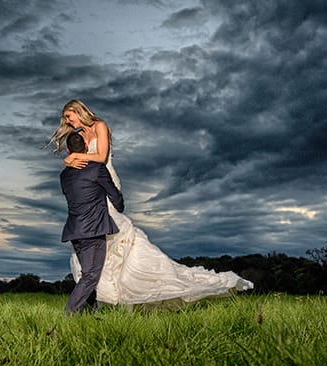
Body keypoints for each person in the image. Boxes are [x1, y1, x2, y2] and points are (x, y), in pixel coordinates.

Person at [49, 99, 254, 308]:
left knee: (110, 231)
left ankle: (128, 285)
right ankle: (97, 295)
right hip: (92, 183)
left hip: (105, 179)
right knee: (97, 239)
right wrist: (71, 159)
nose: (68, 121)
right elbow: (78, 159)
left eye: (68, 116)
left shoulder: (99, 125)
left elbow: (101, 157)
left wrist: (76, 156)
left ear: (78, 111)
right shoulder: (79, 134)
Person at [60, 129, 125, 314]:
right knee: (91, 275)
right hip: (93, 229)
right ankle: (69, 314)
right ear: (87, 147)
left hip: (75, 231)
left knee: (87, 273)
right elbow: (112, 193)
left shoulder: (64, 175)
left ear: (68, 151)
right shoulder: (97, 169)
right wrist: (119, 206)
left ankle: (91, 312)